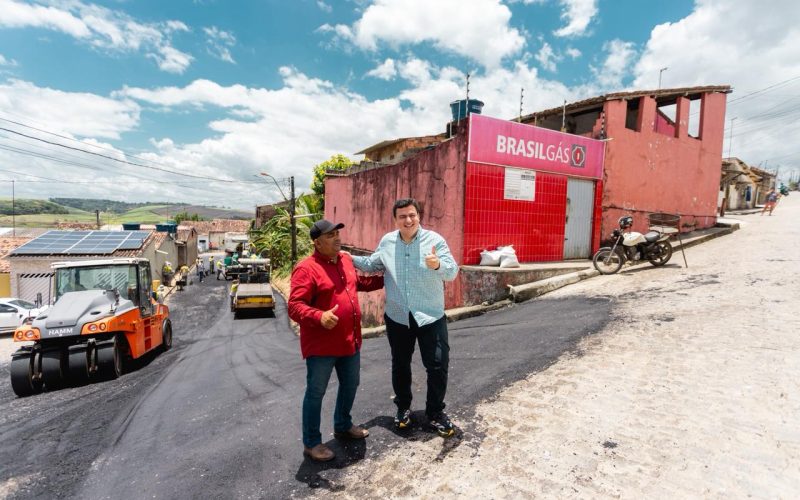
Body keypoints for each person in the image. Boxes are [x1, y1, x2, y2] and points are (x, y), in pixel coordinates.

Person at [351, 198, 459, 438]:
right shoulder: (387, 242)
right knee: (400, 365)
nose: (408, 220)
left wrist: (437, 264)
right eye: (402, 216)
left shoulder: (435, 241)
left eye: (412, 215)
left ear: (419, 216)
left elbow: (452, 272)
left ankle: (435, 412)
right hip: (398, 316)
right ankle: (403, 408)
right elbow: (372, 264)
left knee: (438, 365)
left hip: (430, 316)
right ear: (395, 219)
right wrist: (346, 257)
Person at [288, 219, 384, 462]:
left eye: (337, 234)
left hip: (349, 341)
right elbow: (295, 306)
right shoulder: (306, 269)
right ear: (317, 243)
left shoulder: (345, 261)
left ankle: (343, 424)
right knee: (316, 393)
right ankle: (312, 443)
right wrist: (319, 316)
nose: (337, 238)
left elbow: (359, 283)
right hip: (322, 347)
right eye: (330, 236)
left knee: (351, 384)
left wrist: (390, 278)